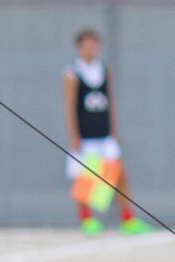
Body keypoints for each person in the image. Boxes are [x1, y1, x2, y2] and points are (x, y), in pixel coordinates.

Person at [62, 28, 148, 235]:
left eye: (94, 45)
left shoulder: (104, 70)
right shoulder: (72, 73)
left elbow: (110, 103)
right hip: (85, 137)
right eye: (87, 46)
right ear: (79, 48)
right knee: (84, 179)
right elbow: (70, 107)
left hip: (104, 135)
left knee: (119, 174)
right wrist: (74, 136)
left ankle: (128, 219)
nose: (91, 49)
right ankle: (87, 220)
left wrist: (114, 130)